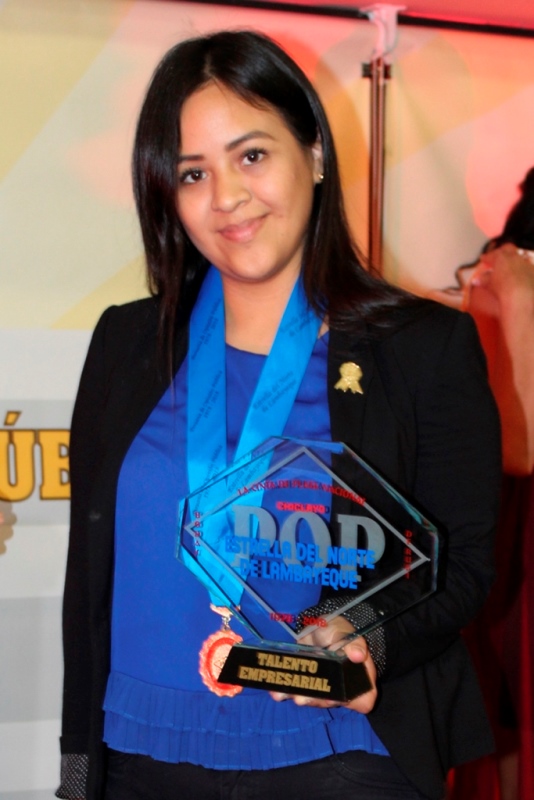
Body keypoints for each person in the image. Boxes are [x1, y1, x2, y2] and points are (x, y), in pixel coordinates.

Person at [56, 30, 501, 800]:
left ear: (315, 154)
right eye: (193, 172)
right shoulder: (126, 342)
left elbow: (461, 566)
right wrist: (75, 770)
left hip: (338, 754)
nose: (225, 196)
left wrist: (370, 639)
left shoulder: (423, 349)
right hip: (140, 753)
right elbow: (87, 585)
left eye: (252, 155)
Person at [432, 169, 534, 800]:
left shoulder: (503, 272)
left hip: (507, 511)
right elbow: (521, 445)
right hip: (516, 513)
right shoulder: (510, 274)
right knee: (511, 699)